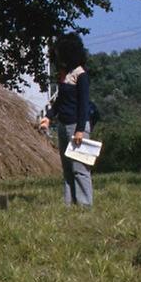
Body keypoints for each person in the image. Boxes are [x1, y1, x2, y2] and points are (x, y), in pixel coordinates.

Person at [40, 33, 94, 207]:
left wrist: (80, 130)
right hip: (63, 125)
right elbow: (59, 102)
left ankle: (85, 205)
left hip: (77, 127)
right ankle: (69, 203)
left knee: (80, 169)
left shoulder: (81, 74)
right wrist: (48, 117)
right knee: (67, 169)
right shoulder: (64, 75)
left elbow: (84, 105)